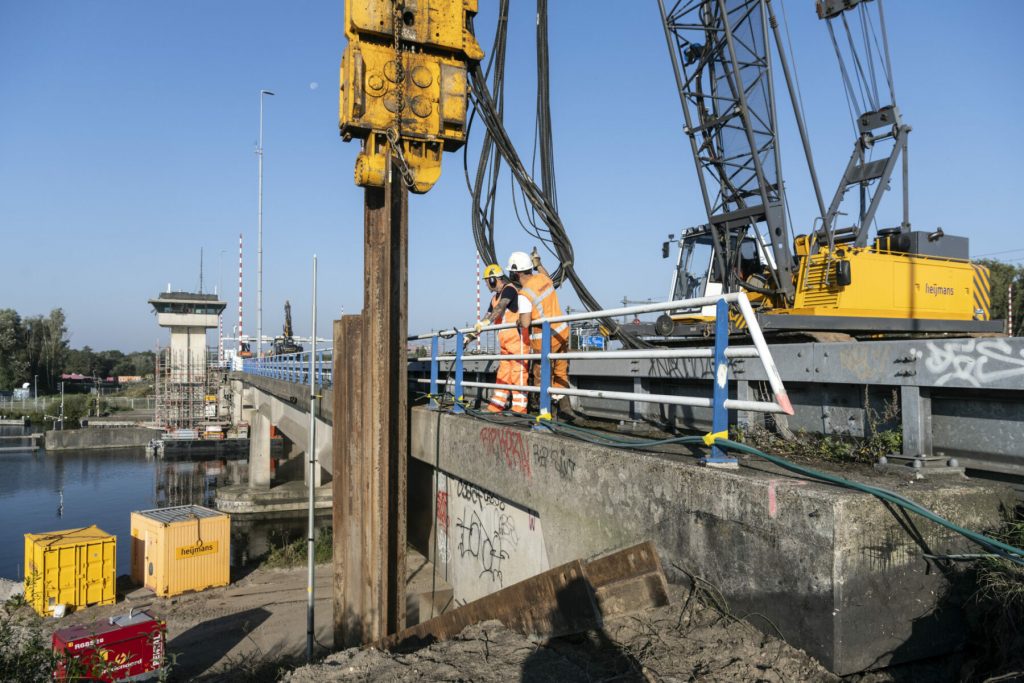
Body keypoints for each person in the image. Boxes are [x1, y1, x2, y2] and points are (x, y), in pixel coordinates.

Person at [505, 249, 571, 415]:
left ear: (515, 273)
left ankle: (545, 414)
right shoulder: (543, 278)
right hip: (562, 334)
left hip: (545, 342)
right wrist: (539, 264)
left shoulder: (524, 294)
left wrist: (518, 320)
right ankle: (565, 411)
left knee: (542, 378)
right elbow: (546, 275)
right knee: (561, 373)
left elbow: (526, 322)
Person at [474, 264, 531, 414]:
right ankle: (497, 405)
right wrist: (471, 336)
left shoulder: (509, 290)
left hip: (517, 340)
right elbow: (487, 316)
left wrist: (487, 322)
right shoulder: (494, 298)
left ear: (493, 279)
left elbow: (501, 307)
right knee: (503, 374)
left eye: (487, 281)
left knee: (518, 373)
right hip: (505, 342)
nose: (486, 284)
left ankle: (519, 408)